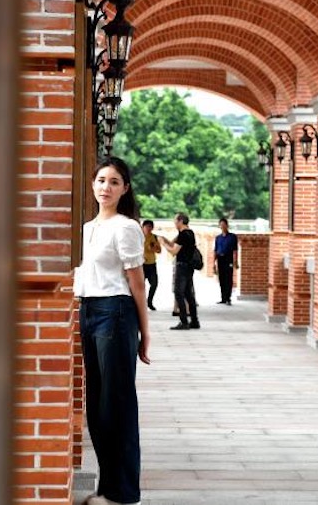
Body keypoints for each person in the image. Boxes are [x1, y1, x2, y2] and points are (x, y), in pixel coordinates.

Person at [73, 156, 151, 505]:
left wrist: (144, 333)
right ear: (92, 185)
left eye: (114, 182)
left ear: (125, 188)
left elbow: (138, 285)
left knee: (116, 403)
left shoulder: (126, 227)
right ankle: (108, 487)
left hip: (116, 314)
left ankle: (122, 492)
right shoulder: (89, 228)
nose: (106, 187)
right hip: (88, 310)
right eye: (101, 180)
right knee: (96, 406)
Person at [160, 212, 200, 330]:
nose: (174, 223)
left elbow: (173, 251)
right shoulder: (190, 233)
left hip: (182, 267)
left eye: (175, 220)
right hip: (189, 267)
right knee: (189, 294)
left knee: (179, 293)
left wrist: (163, 244)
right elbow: (173, 243)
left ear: (181, 221)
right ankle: (194, 321)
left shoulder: (183, 235)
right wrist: (165, 240)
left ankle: (184, 321)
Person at [214, 217, 239, 305]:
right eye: (221, 225)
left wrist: (236, 261)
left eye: (224, 225)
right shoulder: (218, 238)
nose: (222, 226)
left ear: (227, 226)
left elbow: (235, 250)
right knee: (221, 278)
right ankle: (223, 298)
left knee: (228, 278)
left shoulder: (232, 237)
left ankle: (228, 298)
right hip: (220, 259)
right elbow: (215, 250)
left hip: (229, 259)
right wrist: (214, 263)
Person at [141, 220, 161, 310]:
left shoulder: (154, 237)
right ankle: (140, 303)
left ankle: (149, 301)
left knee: (154, 284)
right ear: (143, 227)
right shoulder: (139, 237)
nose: (148, 229)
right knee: (140, 285)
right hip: (141, 265)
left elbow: (159, 250)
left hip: (152, 264)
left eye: (150, 227)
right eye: (147, 226)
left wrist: (154, 248)